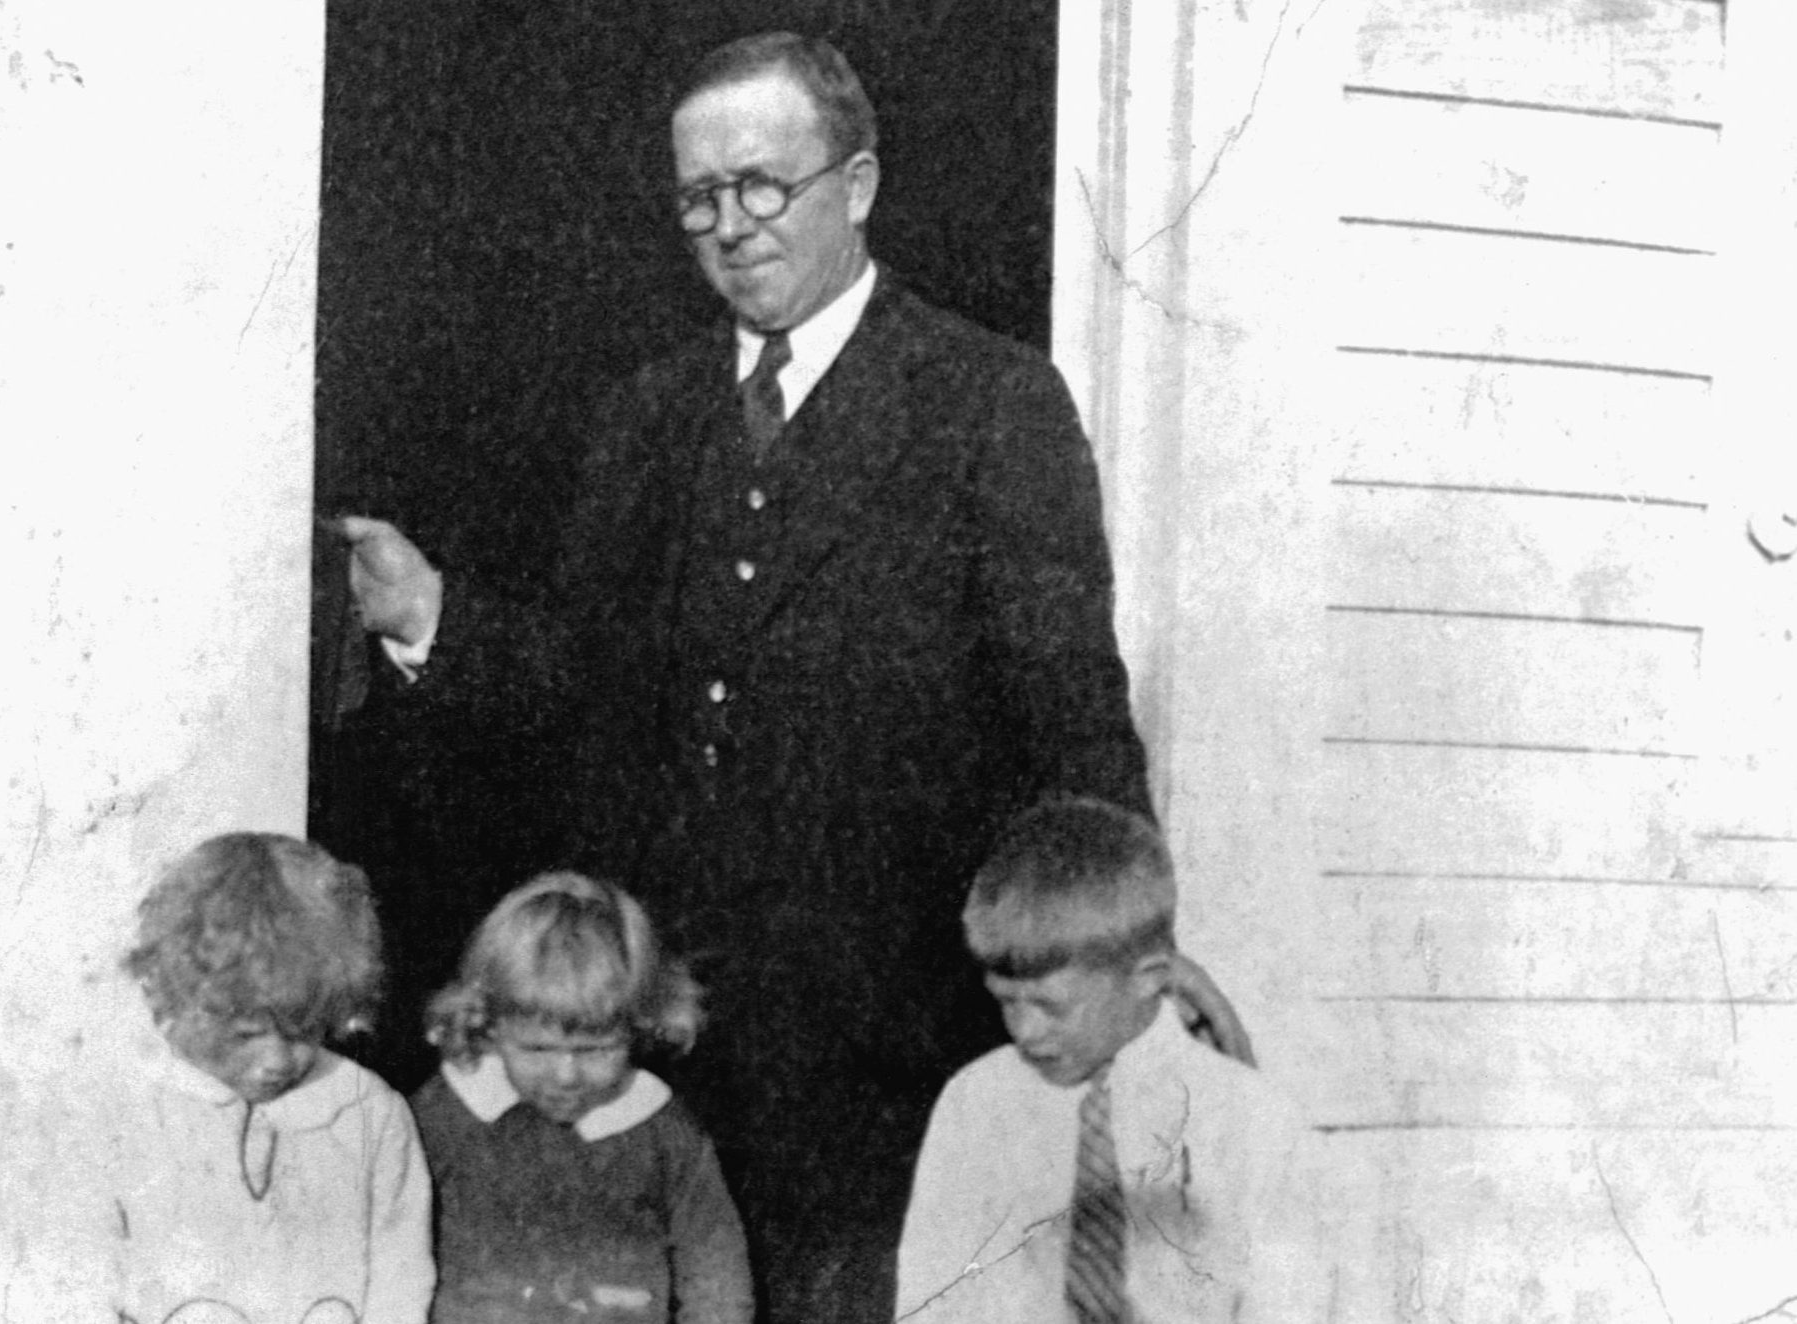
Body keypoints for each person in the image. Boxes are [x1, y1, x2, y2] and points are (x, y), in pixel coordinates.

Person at [339, 31, 1247, 1321]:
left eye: (763, 184)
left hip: (892, 1055)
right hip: (664, 1053)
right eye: (700, 197)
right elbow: (590, 694)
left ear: (858, 184)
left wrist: (1130, 947)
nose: (729, 224)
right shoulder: (645, 415)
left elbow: (1073, 717)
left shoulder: (991, 402)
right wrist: (435, 618)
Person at [896, 798, 1333, 1323]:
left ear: (1149, 977)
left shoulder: (1254, 1123)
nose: (1024, 1030)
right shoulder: (976, 1107)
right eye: (1006, 1000)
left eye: (1050, 1006)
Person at [108, 832, 435, 1324]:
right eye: (245, 1035)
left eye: (303, 1031)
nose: (277, 1061)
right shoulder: (127, 1113)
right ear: (175, 1004)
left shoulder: (369, 1112)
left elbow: (402, 1278)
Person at [413, 871, 753, 1324]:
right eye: (536, 1049)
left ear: (640, 1027)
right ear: (488, 1026)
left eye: (595, 1050)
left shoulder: (662, 1130)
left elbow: (716, 1271)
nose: (566, 1075)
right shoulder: (443, 1117)